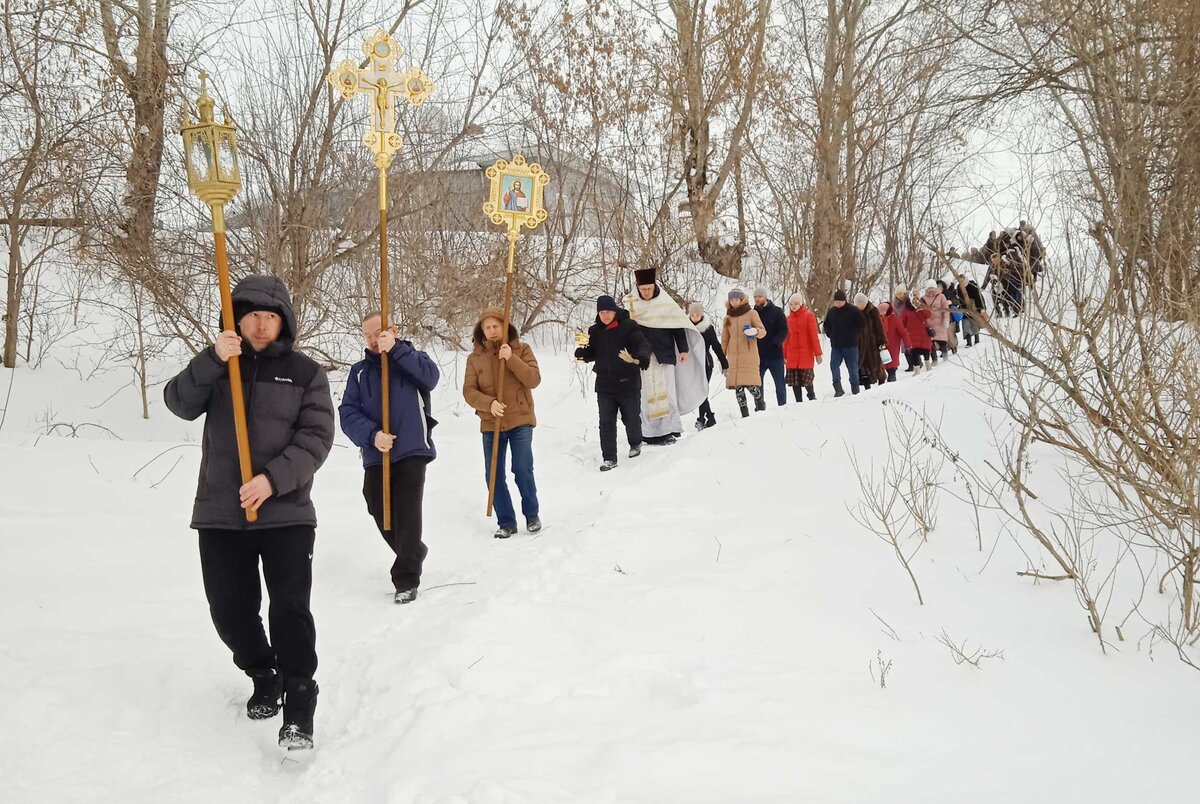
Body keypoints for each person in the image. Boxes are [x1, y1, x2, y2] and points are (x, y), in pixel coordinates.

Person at [164, 275, 334, 751]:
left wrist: (272, 480)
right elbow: (178, 403)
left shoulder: (305, 372)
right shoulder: (220, 364)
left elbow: (317, 439)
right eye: (253, 315)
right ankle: (263, 671)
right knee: (230, 611)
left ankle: (300, 703)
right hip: (221, 511)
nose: (262, 325)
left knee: (290, 611)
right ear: (236, 318)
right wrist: (212, 358)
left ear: (284, 322)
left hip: (287, 513)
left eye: (271, 316)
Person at [339, 312, 439, 605]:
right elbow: (347, 413)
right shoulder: (359, 372)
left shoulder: (412, 358)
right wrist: (372, 435)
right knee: (376, 503)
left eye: (378, 333)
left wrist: (395, 350)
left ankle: (406, 578)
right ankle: (413, 550)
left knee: (408, 512)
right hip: (376, 452)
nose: (372, 340)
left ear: (392, 330)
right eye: (367, 335)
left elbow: (430, 378)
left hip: (411, 448)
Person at [463, 307, 542, 538]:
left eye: (496, 326)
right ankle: (506, 522)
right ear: (482, 331)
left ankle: (531, 514)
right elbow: (469, 391)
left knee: (522, 468)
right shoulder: (475, 358)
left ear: (505, 327)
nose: (492, 331)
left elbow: (534, 379)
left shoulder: (521, 349)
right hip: (491, 423)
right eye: (487, 327)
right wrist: (488, 404)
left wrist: (512, 359)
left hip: (520, 419)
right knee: (493, 475)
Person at [622, 266, 708, 445]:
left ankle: (669, 430)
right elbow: (625, 331)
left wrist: (683, 350)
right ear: (637, 288)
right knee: (647, 394)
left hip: (665, 353)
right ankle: (648, 432)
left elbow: (677, 325)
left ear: (654, 286)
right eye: (643, 289)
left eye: (649, 289)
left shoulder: (666, 303)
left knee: (666, 393)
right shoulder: (631, 304)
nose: (646, 292)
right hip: (642, 357)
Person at [575, 295, 652, 470]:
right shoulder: (594, 331)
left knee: (631, 418)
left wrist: (642, 356)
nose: (605, 315)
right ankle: (609, 458)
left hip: (628, 383)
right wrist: (582, 354)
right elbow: (592, 352)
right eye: (602, 312)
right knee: (606, 422)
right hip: (605, 385)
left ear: (614, 311)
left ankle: (635, 442)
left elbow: (642, 343)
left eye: (608, 311)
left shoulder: (629, 326)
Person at [721, 288, 767, 417]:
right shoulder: (728, 317)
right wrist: (722, 357)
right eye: (732, 300)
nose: (734, 302)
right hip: (733, 357)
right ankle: (744, 413)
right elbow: (725, 339)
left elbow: (763, 331)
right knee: (738, 387)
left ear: (741, 300)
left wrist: (755, 331)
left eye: (736, 299)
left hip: (749, 355)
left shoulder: (751, 313)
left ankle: (759, 403)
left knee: (751, 385)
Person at [688, 301, 728, 430]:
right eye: (692, 315)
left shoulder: (708, 328)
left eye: (697, 315)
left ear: (702, 315)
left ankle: (703, 418)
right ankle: (708, 417)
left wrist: (724, 363)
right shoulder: (686, 328)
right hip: (691, 364)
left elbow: (716, 346)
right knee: (698, 391)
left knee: (702, 390)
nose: (695, 317)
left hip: (706, 363)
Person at [823, 290, 865, 396]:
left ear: (844, 301)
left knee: (852, 368)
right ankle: (838, 388)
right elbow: (826, 325)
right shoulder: (832, 312)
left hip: (850, 345)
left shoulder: (853, 310)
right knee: (834, 366)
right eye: (836, 301)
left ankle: (855, 387)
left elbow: (862, 323)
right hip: (836, 346)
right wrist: (830, 334)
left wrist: (854, 333)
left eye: (840, 301)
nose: (837, 303)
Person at [753, 287, 789, 409]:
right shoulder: (753, 313)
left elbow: (784, 330)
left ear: (765, 297)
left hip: (775, 355)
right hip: (759, 356)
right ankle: (760, 407)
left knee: (780, 384)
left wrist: (776, 342)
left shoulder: (777, 312)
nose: (757, 299)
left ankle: (782, 406)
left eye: (760, 296)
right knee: (758, 385)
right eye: (755, 297)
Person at [783, 292, 822, 402]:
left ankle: (811, 396)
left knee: (807, 379)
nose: (793, 306)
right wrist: (784, 355)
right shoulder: (788, 319)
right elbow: (786, 339)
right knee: (795, 381)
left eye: (796, 303)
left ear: (801, 304)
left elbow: (813, 336)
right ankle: (798, 402)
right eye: (791, 304)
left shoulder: (809, 316)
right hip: (792, 355)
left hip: (805, 354)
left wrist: (818, 354)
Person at [854, 293, 887, 390]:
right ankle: (866, 385)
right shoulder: (855, 312)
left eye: (861, 304)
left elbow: (879, 327)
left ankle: (881, 379)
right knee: (863, 365)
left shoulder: (873, 311)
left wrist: (882, 341)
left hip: (873, 343)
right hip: (861, 344)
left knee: (876, 363)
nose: (859, 306)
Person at [898, 291, 934, 373]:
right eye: (913, 295)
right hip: (912, 333)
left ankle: (928, 365)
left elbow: (928, 314)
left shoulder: (922, 304)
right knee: (914, 351)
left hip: (923, 331)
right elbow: (903, 320)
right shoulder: (907, 307)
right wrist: (903, 330)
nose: (915, 297)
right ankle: (916, 369)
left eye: (917, 295)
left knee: (925, 349)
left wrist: (920, 307)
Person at [921, 280, 952, 361]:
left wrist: (946, 319)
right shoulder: (923, 298)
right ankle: (934, 360)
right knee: (930, 343)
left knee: (942, 342)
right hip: (929, 324)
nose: (931, 289)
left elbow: (945, 308)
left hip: (940, 323)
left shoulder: (941, 296)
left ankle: (945, 358)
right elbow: (921, 310)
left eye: (932, 287)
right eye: (929, 287)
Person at [877, 300, 906, 382]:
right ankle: (882, 378)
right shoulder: (877, 320)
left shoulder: (895, 319)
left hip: (893, 344)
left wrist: (908, 344)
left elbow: (903, 332)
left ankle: (892, 375)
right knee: (881, 362)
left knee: (892, 361)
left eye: (883, 312)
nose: (882, 314)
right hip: (881, 344)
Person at [957, 274, 986, 347]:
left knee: (974, 324)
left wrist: (981, 308)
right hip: (965, 308)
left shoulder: (972, 286)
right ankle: (968, 341)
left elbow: (979, 298)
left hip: (974, 307)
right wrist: (961, 307)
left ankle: (977, 338)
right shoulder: (958, 287)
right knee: (966, 324)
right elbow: (959, 299)